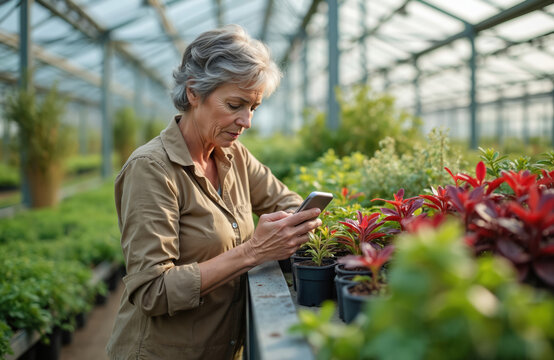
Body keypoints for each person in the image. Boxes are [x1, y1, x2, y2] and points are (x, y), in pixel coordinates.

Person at [106, 24, 322, 360]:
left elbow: (289, 202)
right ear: (194, 92)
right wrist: (254, 251)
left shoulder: (233, 156)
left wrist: (295, 224)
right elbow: (152, 291)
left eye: (254, 107)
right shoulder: (152, 169)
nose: (246, 120)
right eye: (235, 104)